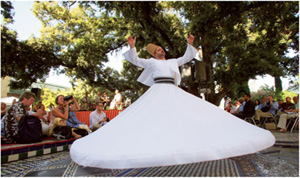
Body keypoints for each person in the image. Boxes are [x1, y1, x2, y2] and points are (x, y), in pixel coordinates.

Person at [70, 35, 275, 169]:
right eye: (158, 49)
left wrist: (190, 44)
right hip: (158, 90)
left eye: (161, 48)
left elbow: (187, 58)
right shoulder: (150, 62)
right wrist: (132, 47)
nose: (161, 50)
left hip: (172, 90)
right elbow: (136, 61)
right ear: (154, 53)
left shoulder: (172, 61)